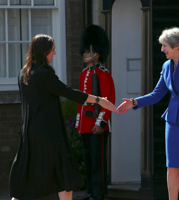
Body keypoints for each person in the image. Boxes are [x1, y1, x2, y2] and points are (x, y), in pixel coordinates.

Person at [9, 34, 116, 200]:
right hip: (49, 132)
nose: (55, 54)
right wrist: (98, 100)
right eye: (52, 50)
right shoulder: (44, 74)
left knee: (27, 176)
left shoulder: (24, 72)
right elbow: (69, 92)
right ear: (44, 51)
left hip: (30, 132)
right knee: (65, 174)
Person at [117, 27, 179, 200]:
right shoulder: (166, 66)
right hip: (173, 122)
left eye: (165, 46)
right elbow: (157, 94)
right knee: (172, 166)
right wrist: (134, 102)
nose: (162, 50)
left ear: (176, 46)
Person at [73, 25, 115, 200]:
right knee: (89, 160)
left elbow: (109, 100)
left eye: (87, 52)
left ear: (96, 54)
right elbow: (81, 102)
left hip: (97, 125)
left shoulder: (103, 74)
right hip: (85, 124)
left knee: (98, 162)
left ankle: (99, 193)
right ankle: (90, 191)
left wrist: (101, 123)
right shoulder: (84, 73)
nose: (84, 54)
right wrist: (78, 122)